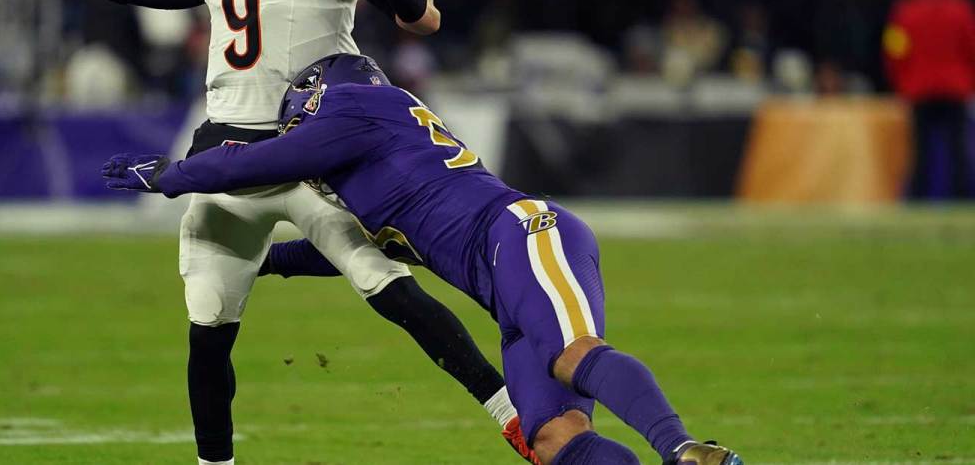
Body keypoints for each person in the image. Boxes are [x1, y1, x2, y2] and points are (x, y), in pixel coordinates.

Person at [98, 0, 533, 464]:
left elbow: (423, 17)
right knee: (209, 330)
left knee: (391, 287)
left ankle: (516, 421)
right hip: (223, 145)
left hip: (311, 146)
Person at [102, 53, 744, 465]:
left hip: (524, 235)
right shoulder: (378, 169)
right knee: (552, 441)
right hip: (502, 290)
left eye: (300, 115)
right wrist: (262, 263)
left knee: (570, 354)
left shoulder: (361, 106)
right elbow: (350, 250)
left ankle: (682, 448)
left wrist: (172, 174)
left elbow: (264, 160)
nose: (297, 127)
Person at [883, 0, 975, 199]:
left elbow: (895, 51)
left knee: (921, 149)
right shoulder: (961, 10)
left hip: (919, 87)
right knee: (958, 148)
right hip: (955, 87)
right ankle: (962, 197)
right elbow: (972, 49)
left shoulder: (906, 11)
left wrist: (901, 81)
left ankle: (920, 197)